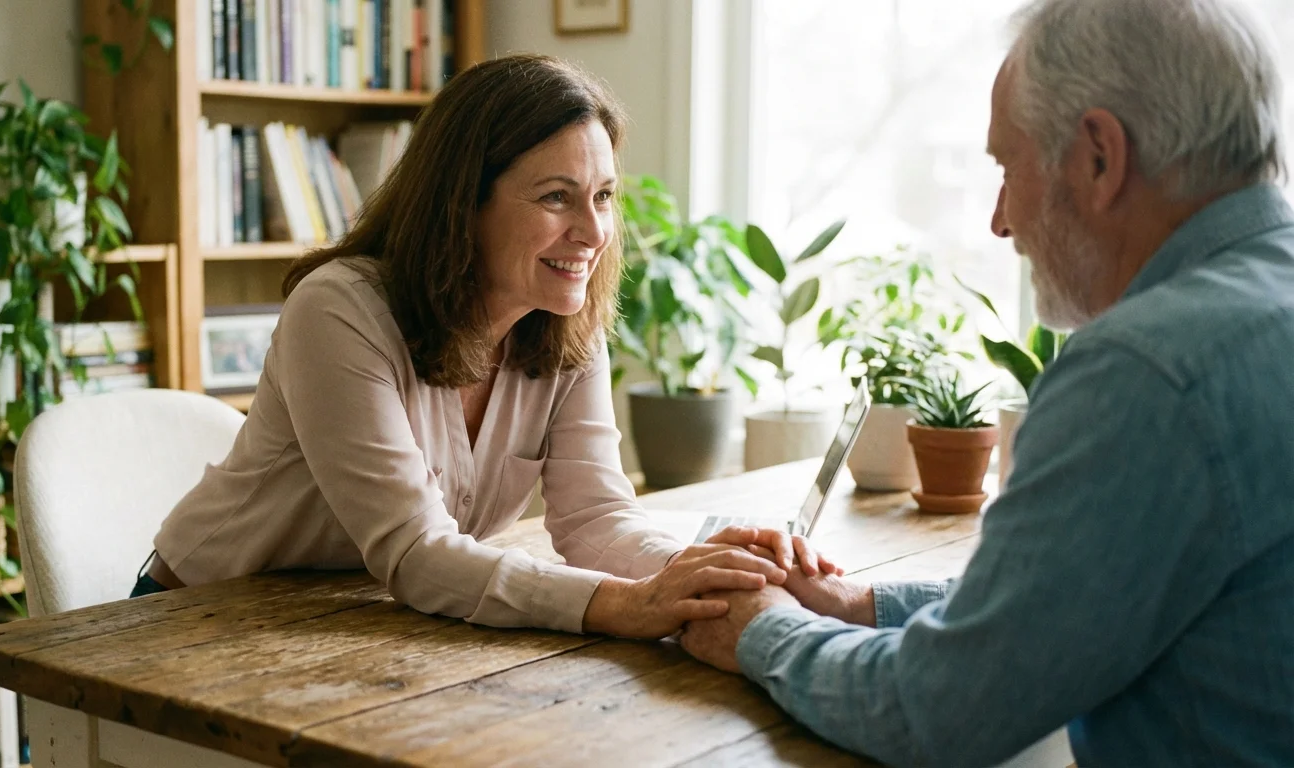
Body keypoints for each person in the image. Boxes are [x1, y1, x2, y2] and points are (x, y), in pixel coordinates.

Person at [679, 0, 1294, 765]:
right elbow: (1067, 608)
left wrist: (762, 629)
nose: (1000, 222)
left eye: (1008, 167)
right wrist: (858, 604)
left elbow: (938, 710)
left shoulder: (1146, 370)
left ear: (1099, 156)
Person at [133, 53, 839, 640]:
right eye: (557, 197)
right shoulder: (339, 309)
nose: (593, 234)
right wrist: (626, 605)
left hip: (352, 627)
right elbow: (416, 553)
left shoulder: (564, 316)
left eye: (602, 197)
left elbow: (594, 515)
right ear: (461, 201)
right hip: (196, 624)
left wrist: (699, 572)